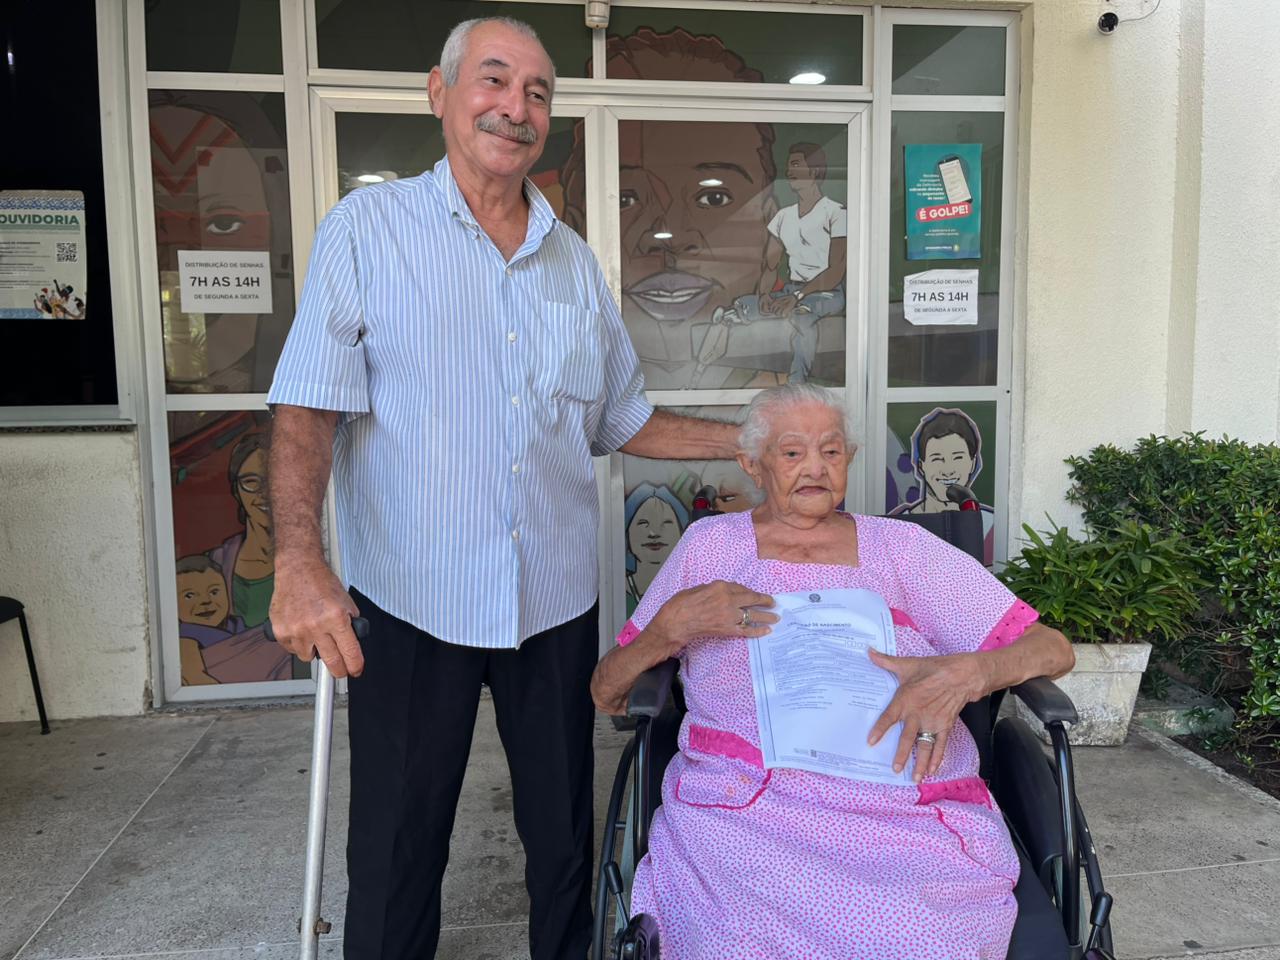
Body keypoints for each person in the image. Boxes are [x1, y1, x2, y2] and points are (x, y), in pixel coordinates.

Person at [264, 18, 739, 960]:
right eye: (493, 81)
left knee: (562, 837)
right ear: (439, 93)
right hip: (413, 600)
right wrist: (299, 560)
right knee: (399, 844)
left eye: (537, 92)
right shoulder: (368, 231)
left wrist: (750, 445)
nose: (515, 108)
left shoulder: (574, 263)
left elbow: (621, 420)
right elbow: (308, 406)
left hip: (551, 603)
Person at [590, 383, 1075, 960]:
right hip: (747, 809)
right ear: (753, 464)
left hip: (900, 809)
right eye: (793, 452)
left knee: (919, 935)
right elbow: (607, 692)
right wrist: (668, 629)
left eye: (831, 450)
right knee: (735, 936)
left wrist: (968, 673)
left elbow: (1052, 649)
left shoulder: (903, 548)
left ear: (850, 459)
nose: (815, 467)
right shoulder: (708, 549)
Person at [713, 142, 847, 383]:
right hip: (792, 289)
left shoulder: (836, 213)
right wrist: (765, 294)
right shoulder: (783, 216)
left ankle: (796, 384)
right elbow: (771, 264)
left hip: (827, 293)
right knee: (745, 303)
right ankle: (736, 320)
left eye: (796, 165)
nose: (789, 171)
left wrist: (797, 297)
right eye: (788, 166)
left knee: (801, 316)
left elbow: (836, 270)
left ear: (814, 171)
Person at [889, 406, 996, 564]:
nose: (948, 470)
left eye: (958, 458)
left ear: (972, 463)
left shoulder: (989, 526)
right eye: (937, 459)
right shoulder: (899, 524)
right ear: (921, 466)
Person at [624, 483, 690, 616]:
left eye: (666, 523)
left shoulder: (692, 586)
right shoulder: (615, 589)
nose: (654, 533)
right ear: (627, 533)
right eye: (643, 523)